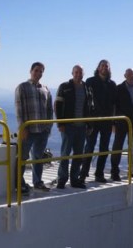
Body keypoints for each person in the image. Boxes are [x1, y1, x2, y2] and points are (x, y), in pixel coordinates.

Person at [15, 62, 53, 193]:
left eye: (41, 71)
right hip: (28, 130)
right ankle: (19, 183)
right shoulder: (22, 87)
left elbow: (49, 110)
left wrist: (48, 127)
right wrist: (22, 128)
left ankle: (38, 182)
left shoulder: (46, 89)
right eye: (36, 70)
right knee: (23, 157)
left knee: (38, 157)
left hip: (42, 131)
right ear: (30, 71)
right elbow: (19, 109)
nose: (39, 73)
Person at [54, 65, 93, 189]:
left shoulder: (87, 87)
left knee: (78, 154)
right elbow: (58, 105)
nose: (78, 74)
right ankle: (62, 179)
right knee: (65, 153)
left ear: (83, 74)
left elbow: (90, 107)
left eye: (80, 72)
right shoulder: (64, 86)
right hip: (68, 126)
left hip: (82, 127)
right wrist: (60, 123)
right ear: (72, 73)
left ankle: (74, 180)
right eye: (76, 72)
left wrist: (89, 124)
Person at [79, 60, 116, 183]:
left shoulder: (112, 84)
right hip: (93, 120)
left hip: (107, 121)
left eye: (107, 66)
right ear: (98, 68)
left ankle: (99, 174)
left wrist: (113, 121)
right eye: (102, 66)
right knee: (89, 147)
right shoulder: (90, 81)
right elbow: (87, 101)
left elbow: (114, 104)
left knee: (104, 149)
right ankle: (83, 174)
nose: (105, 68)